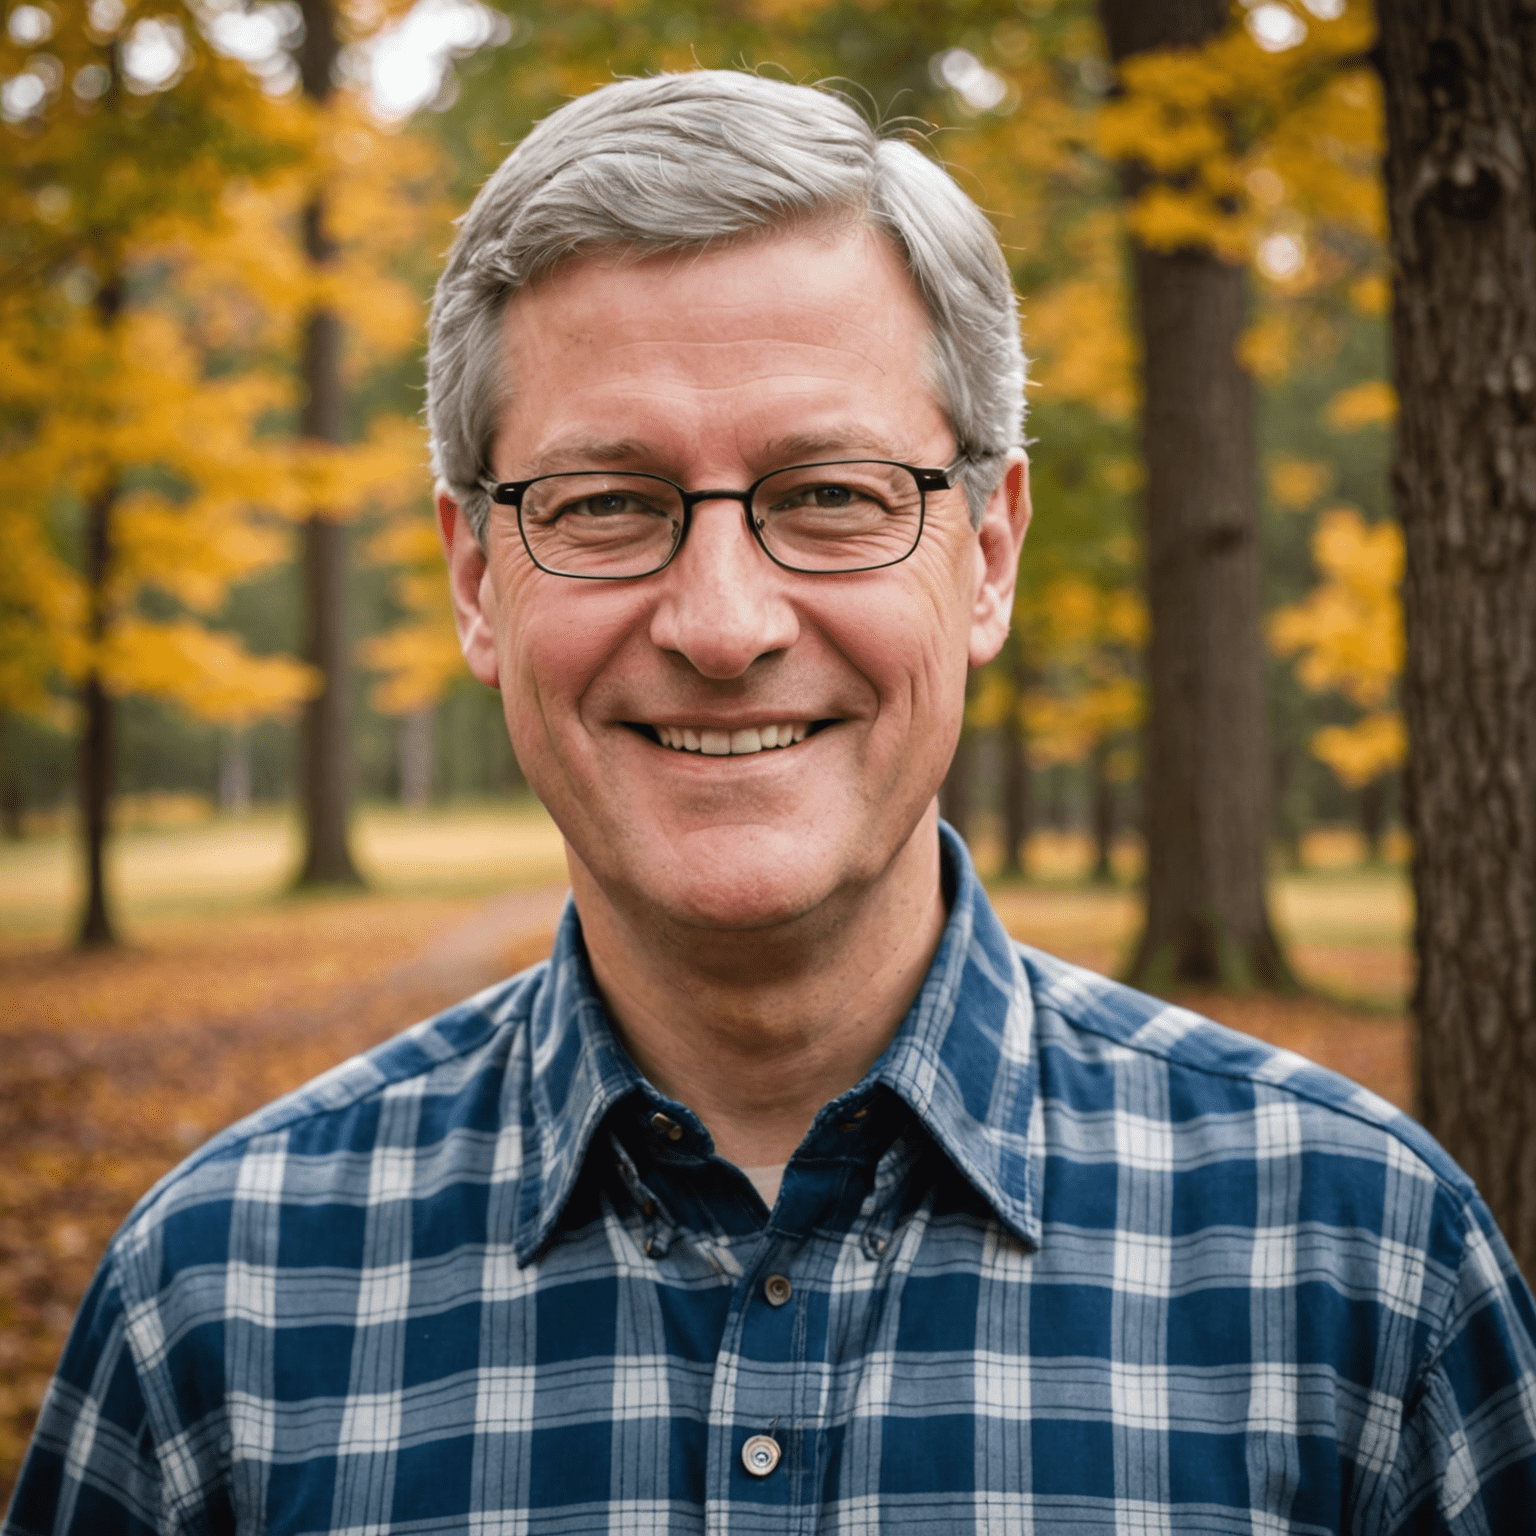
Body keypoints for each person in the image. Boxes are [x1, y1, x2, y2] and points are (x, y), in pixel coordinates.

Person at [7, 69, 1536, 1536]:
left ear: (987, 552)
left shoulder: (1366, 1267)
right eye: (606, 504)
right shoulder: (214, 1301)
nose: (723, 623)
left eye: (830, 496)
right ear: (478, 578)